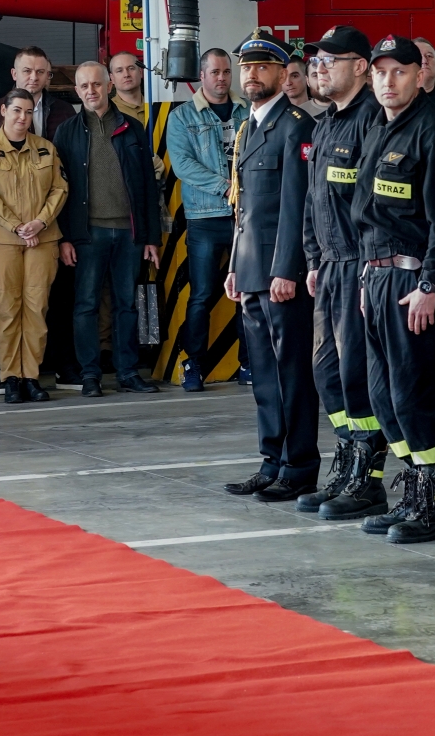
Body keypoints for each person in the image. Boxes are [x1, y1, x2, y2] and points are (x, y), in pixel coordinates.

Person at [353, 35, 435, 544]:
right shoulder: (377, 126)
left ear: (420, 75)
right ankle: (414, 490)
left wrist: (429, 283)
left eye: (399, 71)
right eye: (381, 72)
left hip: (410, 281)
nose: (388, 81)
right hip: (376, 277)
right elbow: (366, 213)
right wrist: (363, 276)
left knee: (416, 393)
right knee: (384, 394)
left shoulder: (432, 130)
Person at [220, 38, 319, 501]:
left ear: (283, 74)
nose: (252, 75)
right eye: (247, 67)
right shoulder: (249, 127)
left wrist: (287, 270)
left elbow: (296, 206)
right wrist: (235, 267)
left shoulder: (295, 126)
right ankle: (271, 461)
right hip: (252, 270)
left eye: (263, 67)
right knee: (263, 373)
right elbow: (245, 208)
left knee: (291, 373)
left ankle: (298, 466)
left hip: (280, 275)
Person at [297, 26, 388, 520]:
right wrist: (313, 259)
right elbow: (314, 201)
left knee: (356, 374)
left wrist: (367, 267)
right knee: (327, 373)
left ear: (360, 67)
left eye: (330, 61)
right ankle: (347, 459)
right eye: (317, 61)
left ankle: (367, 478)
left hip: (358, 264)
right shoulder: (326, 123)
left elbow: (374, 205)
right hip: (329, 266)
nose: (320, 68)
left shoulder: (371, 119)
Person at [54, 61, 162, 397]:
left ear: (109, 86)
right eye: (84, 86)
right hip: (87, 234)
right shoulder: (66, 132)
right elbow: (58, 188)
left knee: (126, 305)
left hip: (129, 233)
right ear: (77, 91)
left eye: (97, 84)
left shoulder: (132, 127)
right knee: (86, 305)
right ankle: (90, 375)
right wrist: (64, 238)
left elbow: (147, 185)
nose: (91, 91)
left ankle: (128, 373)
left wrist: (151, 237)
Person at [0, 89, 68, 403]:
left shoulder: (46, 149)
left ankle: (31, 377)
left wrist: (40, 222)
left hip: (41, 239)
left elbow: (60, 189)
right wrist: (16, 226)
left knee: (36, 309)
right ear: (3, 111)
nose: (22, 118)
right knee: (7, 310)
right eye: (16, 111)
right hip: (2, 241)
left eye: (28, 112)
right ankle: (10, 377)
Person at [164, 48, 244, 390]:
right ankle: (193, 364)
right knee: (201, 294)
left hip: (244, 216)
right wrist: (226, 187)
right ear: (202, 76)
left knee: (248, 292)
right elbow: (183, 165)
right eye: (215, 72)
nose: (222, 78)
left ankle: (250, 363)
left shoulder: (248, 110)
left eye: (226, 72)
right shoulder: (182, 117)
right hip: (205, 217)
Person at [0, 46, 74, 144]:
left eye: (40, 72)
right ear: (14, 74)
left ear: (47, 76)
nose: (34, 77)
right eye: (27, 71)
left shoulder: (66, 111)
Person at [108, 50, 149, 129]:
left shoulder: (157, 106)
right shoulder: (108, 111)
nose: (126, 75)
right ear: (112, 78)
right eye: (119, 71)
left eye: (131, 68)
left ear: (140, 72)